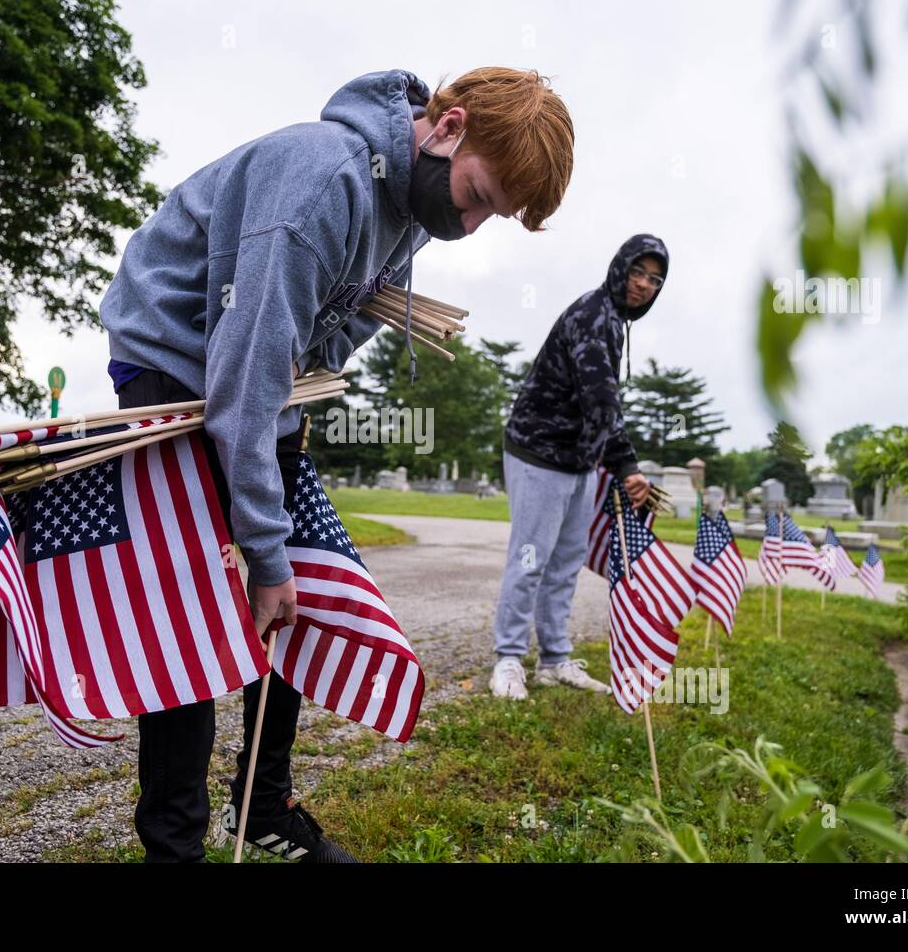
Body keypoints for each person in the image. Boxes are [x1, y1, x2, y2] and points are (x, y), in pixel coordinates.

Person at [100, 68, 575, 861]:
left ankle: (262, 802)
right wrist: (258, 548)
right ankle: (173, 846)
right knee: (198, 606)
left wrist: (273, 553)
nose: (473, 223)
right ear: (448, 127)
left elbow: (322, 336)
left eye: (493, 213)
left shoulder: (413, 211)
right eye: (480, 196)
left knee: (299, 582)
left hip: (262, 380)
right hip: (174, 364)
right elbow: (242, 374)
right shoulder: (323, 182)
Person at [489, 234, 669, 700]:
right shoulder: (594, 316)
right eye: (638, 272)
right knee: (531, 558)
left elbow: (605, 409)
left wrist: (614, 460)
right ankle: (508, 658)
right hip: (539, 452)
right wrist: (628, 464)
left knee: (566, 563)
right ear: (619, 267)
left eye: (655, 280)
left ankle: (553, 659)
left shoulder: (615, 323)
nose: (644, 285)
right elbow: (602, 402)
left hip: (579, 461)